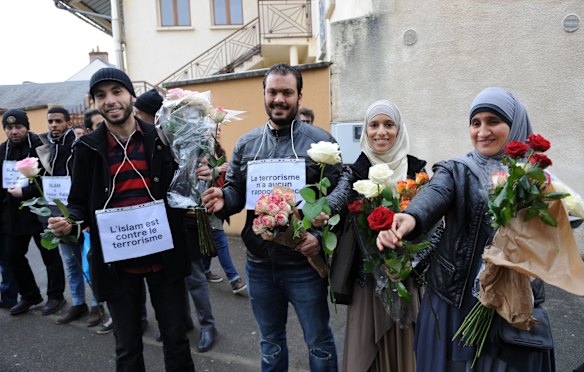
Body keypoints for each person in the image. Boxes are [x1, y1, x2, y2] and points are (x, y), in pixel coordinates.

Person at [377, 87, 556, 371]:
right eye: (476, 123)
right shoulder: (457, 169)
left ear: (515, 125)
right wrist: (409, 218)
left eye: (493, 121)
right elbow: (435, 193)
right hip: (454, 301)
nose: (483, 131)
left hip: (511, 300)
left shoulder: (534, 178)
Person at [48, 68, 196, 371]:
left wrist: (200, 176)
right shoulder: (87, 148)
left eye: (117, 91)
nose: (110, 100)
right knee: (127, 348)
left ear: (130, 95)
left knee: (176, 341)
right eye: (101, 95)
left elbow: (182, 189)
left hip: (164, 259)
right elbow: (78, 203)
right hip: (117, 265)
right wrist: (69, 221)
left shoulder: (160, 137)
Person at [203, 63, 340, 371]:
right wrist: (223, 199)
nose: (279, 99)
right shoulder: (247, 144)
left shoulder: (322, 143)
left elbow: (337, 202)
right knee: (270, 342)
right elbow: (237, 191)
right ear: (264, 94)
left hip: (304, 266)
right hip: (259, 265)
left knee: (319, 342)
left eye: (287, 93)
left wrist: (318, 239)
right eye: (273, 92)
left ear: (299, 95)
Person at [324, 100, 426, 371]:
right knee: (365, 353)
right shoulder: (355, 171)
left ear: (399, 129)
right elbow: (339, 196)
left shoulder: (418, 171)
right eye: (374, 125)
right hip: (367, 281)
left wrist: (409, 260)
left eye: (389, 124)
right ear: (366, 131)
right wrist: (319, 210)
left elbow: (433, 221)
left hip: (407, 276)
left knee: (408, 347)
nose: (381, 132)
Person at [0, 109, 66, 316]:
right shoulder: (3, 150)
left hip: (40, 212)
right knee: (12, 256)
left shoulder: (40, 147)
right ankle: (29, 295)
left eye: (18, 127)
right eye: (9, 128)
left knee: (50, 256)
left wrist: (26, 191)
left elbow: (49, 180)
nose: (14, 132)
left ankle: (56, 296)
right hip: (13, 215)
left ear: (26, 127)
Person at [37, 107, 98, 325]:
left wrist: (88, 218)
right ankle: (78, 303)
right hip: (59, 214)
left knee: (89, 262)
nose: (53, 125)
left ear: (68, 123)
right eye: (50, 121)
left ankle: (97, 305)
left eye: (58, 121)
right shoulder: (45, 148)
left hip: (80, 213)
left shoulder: (80, 145)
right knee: (71, 263)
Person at [203, 125, 247, 294]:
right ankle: (234, 279)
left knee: (211, 236)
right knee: (220, 240)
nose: (218, 132)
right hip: (206, 202)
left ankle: (204, 270)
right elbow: (196, 175)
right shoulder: (200, 152)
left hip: (221, 201)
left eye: (219, 130)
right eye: (215, 129)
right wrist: (217, 170)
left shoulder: (219, 151)